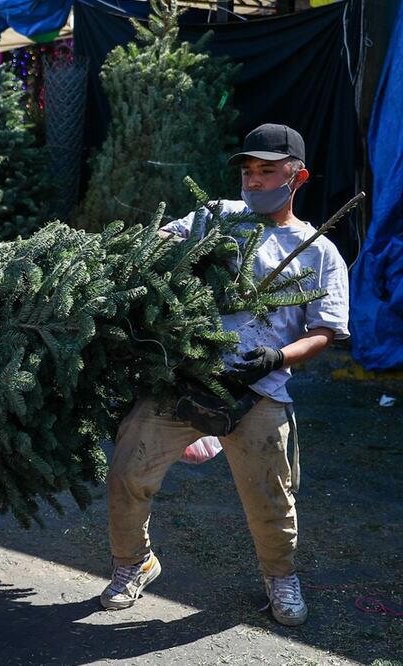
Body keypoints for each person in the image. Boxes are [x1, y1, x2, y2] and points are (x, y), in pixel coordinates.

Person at [99, 124, 350, 627]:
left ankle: (280, 576)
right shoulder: (220, 218)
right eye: (248, 171)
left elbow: (326, 331)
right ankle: (135, 564)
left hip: (258, 390)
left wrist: (277, 359)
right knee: (128, 473)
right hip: (184, 377)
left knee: (269, 498)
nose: (253, 181)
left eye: (266, 171)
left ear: (296, 176)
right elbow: (164, 240)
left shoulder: (317, 249)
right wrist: (150, 250)